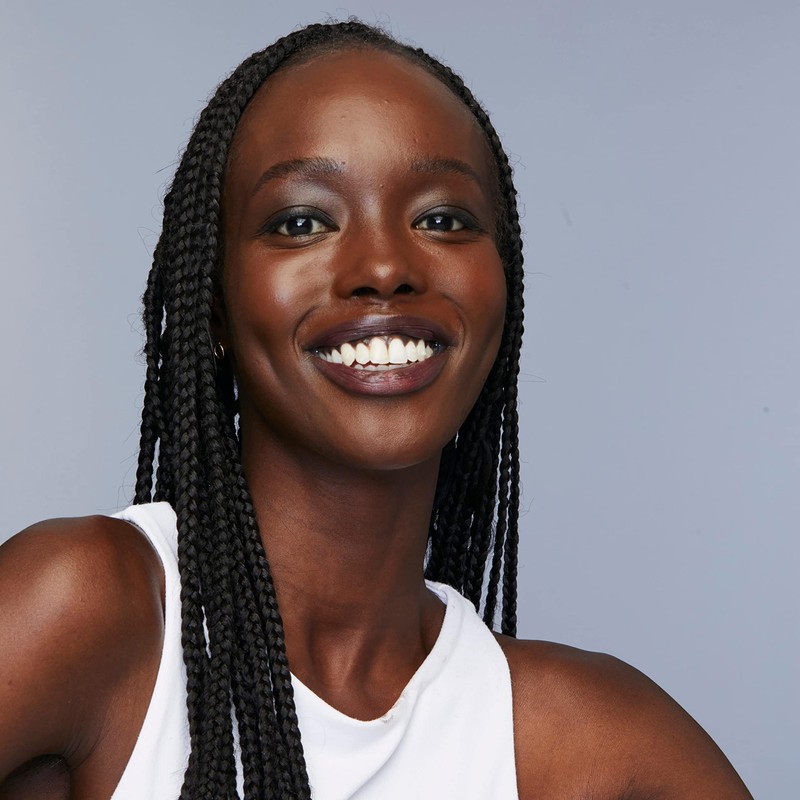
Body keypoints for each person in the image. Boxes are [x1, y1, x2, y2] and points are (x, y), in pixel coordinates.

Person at [0, 20, 753, 800]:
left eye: (443, 219)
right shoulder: (88, 613)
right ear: (214, 304)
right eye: (301, 222)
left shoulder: (590, 747)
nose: (386, 266)